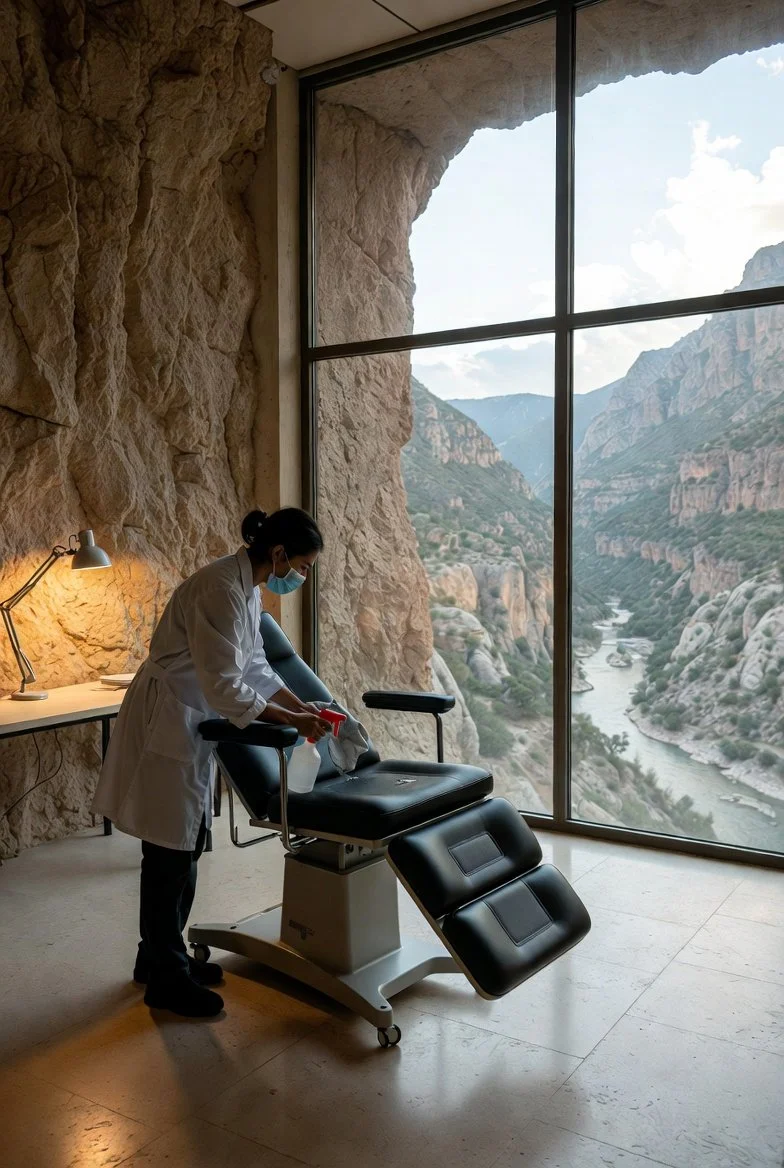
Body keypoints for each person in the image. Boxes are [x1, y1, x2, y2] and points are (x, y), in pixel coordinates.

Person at [92, 508, 331, 1018]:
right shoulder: (219, 588)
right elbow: (226, 686)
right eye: (303, 567)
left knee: (188, 842)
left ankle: (159, 957)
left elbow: (255, 666)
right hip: (170, 717)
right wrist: (291, 721)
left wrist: (300, 707)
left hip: (191, 719)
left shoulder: (247, 589)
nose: (302, 577)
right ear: (279, 553)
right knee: (169, 851)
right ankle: (166, 978)